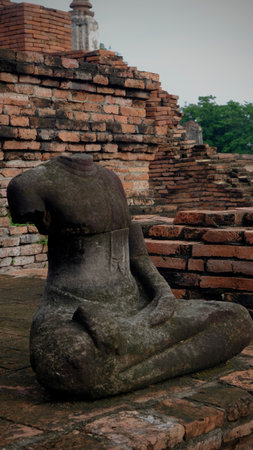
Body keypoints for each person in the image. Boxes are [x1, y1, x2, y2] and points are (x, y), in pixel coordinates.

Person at [7, 154, 253, 399]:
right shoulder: (30, 184)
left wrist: (163, 295)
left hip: (137, 308)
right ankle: (129, 355)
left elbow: (137, 256)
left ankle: (120, 364)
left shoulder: (110, 179)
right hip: (71, 311)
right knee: (67, 362)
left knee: (237, 320)